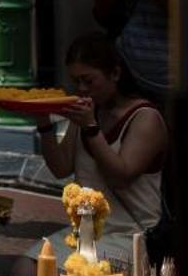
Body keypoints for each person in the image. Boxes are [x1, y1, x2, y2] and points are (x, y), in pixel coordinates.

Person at [32, 33, 166, 259]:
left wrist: (91, 128)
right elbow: (61, 168)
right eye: (76, 82)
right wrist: (44, 124)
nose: (82, 89)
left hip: (130, 234)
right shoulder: (88, 112)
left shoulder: (145, 118)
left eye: (89, 80)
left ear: (114, 74)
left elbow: (120, 177)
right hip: (86, 230)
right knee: (24, 270)